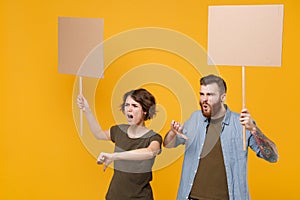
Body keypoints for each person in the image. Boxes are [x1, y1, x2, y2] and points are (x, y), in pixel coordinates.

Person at [163, 74, 278, 200]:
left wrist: (254, 130)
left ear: (223, 97)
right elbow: (168, 144)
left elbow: (272, 156)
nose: (204, 99)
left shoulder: (241, 124)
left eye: (210, 95)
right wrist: (173, 133)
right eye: (202, 94)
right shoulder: (195, 118)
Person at [77, 88, 162, 200]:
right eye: (127, 105)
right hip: (114, 196)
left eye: (135, 106)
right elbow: (98, 134)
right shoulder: (119, 131)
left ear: (145, 111)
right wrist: (87, 110)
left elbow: (150, 152)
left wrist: (114, 156)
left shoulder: (154, 138)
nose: (129, 109)